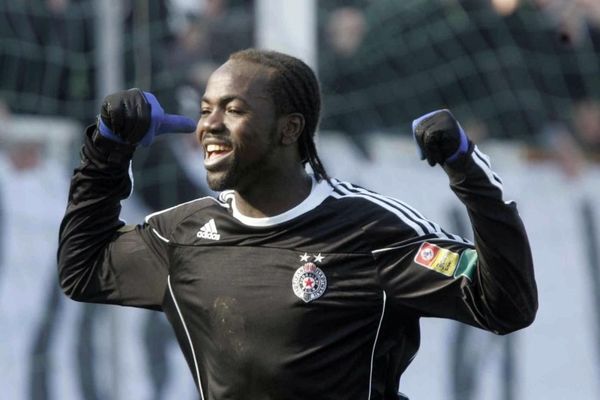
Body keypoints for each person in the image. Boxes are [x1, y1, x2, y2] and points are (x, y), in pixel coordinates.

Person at [58, 48, 538, 400]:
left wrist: (468, 170)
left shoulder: (372, 232)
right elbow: (83, 270)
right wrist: (107, 149)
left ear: (289, 129)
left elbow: (506, 305)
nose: (210, 125)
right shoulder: (182, 235)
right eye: (205, 110)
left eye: (234, 109)